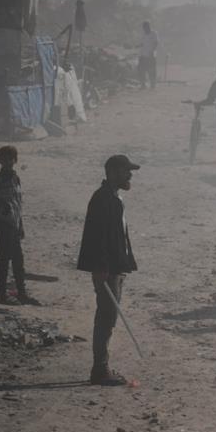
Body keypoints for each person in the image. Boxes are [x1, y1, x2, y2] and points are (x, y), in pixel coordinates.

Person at [77, 155, 140, 386]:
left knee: (108, 317)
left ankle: (102, 367)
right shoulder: (102, 199)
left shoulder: (113, 198)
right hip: (106, 270)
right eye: (126, 171)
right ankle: (100, 370)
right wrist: (100, 266)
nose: (130, 175)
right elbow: (96, 237)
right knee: (106, 317)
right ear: (113, 172)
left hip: (115, 267)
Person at [0, 146, 39, 306]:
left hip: (14, 223)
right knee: (6, 258)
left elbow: (18, 204)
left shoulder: (15, 178)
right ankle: (3, 293)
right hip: (4, 223)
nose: (8, 161)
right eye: (4, 158)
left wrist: (21, 225)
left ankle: (20, 293)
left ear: (15, 160)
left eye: (10, 158)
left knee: (17, 259)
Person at [138, 21, 159, 89]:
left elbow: (156, 43)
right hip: (142, 54)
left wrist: (152, 51)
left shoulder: (154, 33)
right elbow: (141, 44)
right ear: (143, 28)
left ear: (149, 26)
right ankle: (143, 84)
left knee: (152, 70)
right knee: (141, 70)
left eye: (147, 27)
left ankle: (153, 84)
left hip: (151, 54)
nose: (146, 28)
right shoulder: (143, 34)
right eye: (145, 27)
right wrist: (135, 46)